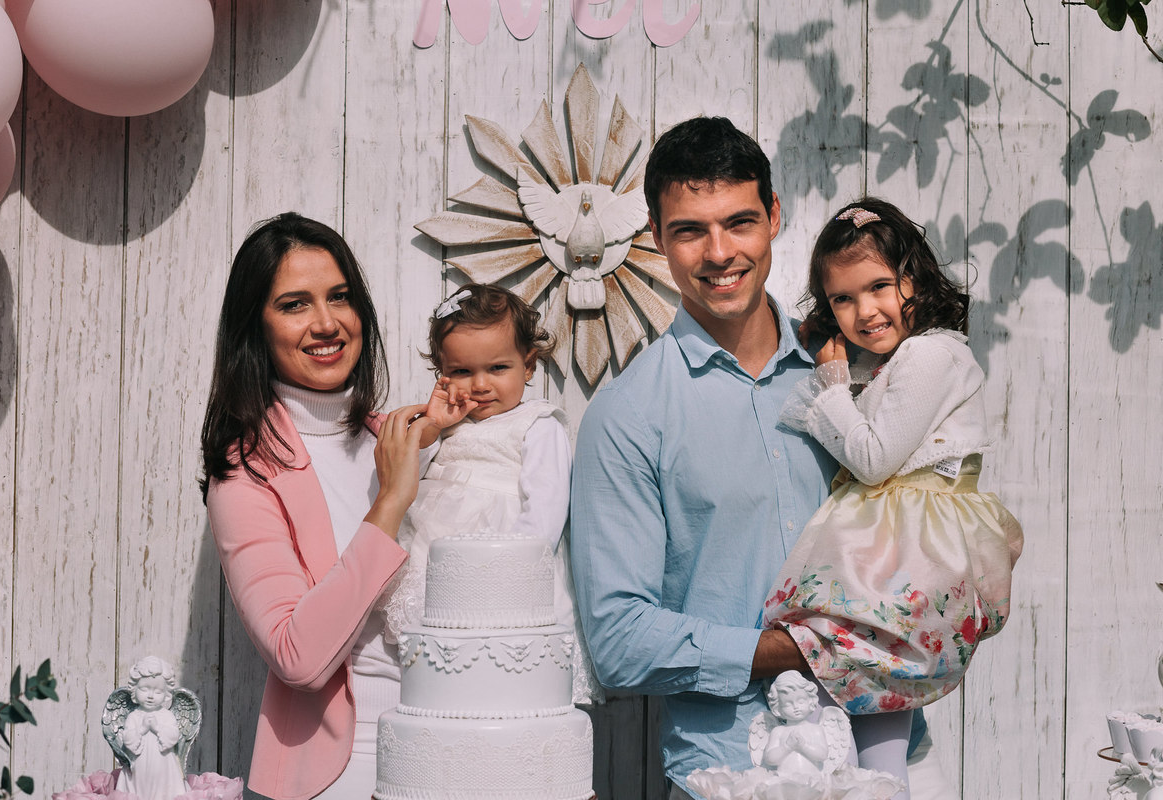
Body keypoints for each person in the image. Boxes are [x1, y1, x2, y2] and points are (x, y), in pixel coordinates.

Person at [569, 116, 839, 799]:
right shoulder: (627, 417)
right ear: (658, 239)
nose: (719, 252)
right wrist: (790, 650)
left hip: (887, 748)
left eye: (739, 222)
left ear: (774, 217)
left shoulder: (847, 374)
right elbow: (621, 640)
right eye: (690, 230)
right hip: (727, 772)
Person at [762, 197, 1024, 797]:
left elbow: (875, 460)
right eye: (843, 299)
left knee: (875, 682)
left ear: (916, 278)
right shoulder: (891, 359)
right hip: (896, 539)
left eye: (880, 286)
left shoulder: (932, 353)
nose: (865, 310)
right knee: (869, 699)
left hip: (914, 543)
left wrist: (830, 390)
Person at [200, 213, 439, 800]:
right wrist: (389, 503)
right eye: (294, 304)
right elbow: (297, 656)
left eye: (339, 297)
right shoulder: (246, 472)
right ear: (255, 328)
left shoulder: (407, 437)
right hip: (346, 764)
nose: (327, 323)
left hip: (458, 743)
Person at [381, 282, 601, 705]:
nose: (480, 385)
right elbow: (410, 480)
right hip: (440, 563)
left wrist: (508, 571)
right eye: (462, 372)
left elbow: (545, 513)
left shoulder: (539, 425)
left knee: (505, 670)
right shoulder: (446, 426)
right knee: (446, 672)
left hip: (506, 565)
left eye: (497, 368)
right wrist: (432, 424)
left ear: (529, 365)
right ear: (443, 374)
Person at [114, 657, 186, 800]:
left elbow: (173, 736)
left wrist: (157, 728)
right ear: (134, 689)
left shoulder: (167, 715)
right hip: (139, 764)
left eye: (158, 692)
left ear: (166, 694)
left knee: (163, 788)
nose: (151, 696)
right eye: (144, 689)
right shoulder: (134, 716)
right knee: (139, 786)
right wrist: (142, 729)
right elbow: (127, 739)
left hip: (163, 763)